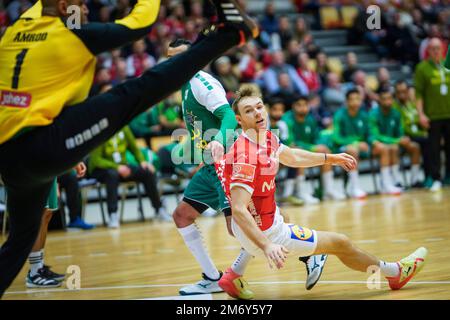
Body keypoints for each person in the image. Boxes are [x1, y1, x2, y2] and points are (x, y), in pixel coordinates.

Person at [0, 0, 260, 296]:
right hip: (43, 144)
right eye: (80, 4)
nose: (85, 9)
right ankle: (229, 34)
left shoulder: (12, 32)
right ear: (63, 7)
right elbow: (139, 22)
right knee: (133, 93)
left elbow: (224, 116)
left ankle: (280, 246)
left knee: (17, 243)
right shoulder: (73, 32)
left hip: (8, 154)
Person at [215, 86, 428, 299]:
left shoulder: (266, 137)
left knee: (285, 215)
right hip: (263, 232)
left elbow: (292, 157)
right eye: (249, 111)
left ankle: (234, 275)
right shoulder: (246, 155)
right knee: (340, 243)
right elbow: (239, 209)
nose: (258, 113)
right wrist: (266, 245)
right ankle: (395, 273)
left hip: (262, 220)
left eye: (259, 107)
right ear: (239, 120)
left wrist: (331, 158)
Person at [27, 162, 86, 288]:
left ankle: (39, 267)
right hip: (34, 163)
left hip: (49, 168)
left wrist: (72, 161)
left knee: (47, 213)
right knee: (40, 214)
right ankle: (34, 272)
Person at [283, 96, 346, 203]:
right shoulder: (287, 120)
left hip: (306, 149)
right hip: (287, 152)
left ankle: (328, 190)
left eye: (305, 105)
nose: (303, 108)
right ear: (293, 107)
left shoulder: (310, 119)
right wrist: (312, 147)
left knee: (325, 151)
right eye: (299, 105)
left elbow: (316, 138)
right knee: (299, 153)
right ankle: (301, 192)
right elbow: (290, 143)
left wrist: (319, 146)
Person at [414, 38, 450, 191]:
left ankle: (448, 176)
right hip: (432, 116)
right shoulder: (422, 68)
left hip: (448, 114)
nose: (436, 51)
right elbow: (418, 94)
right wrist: (421, 114)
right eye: (433, 48)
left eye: (438, 48)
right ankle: (435, 178)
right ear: (428, 50)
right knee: (433, 149)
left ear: (443, 49)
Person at [369, 89, 420, 193]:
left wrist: (402, 138)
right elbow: (375, 135)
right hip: (380, 145)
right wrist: (396, 140)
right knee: (392, 148)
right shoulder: (373, 114)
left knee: (415, 147)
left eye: (389, 99)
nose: (387, 101)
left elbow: (400, 132)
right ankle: (391, 182)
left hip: (395, 143)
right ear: (379, 100)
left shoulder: (396, 113)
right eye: (384, 99)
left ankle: (414, 180)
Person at [332, 90, 369, 199]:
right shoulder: (339, 115)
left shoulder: (364, 115)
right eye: (352, 99)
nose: (355, 102)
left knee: (388, 149)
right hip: (341, 147)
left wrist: (371, 142)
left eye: (357, 99)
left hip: (362, 146)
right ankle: (355, 187)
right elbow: (336, 137)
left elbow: (370, 134)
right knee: (352, 150)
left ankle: (388, 183)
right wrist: (354, 143)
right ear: (347, 102)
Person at [393, 80, 428, 188]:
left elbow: (419, 121)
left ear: (408, 91)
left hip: (416, 135)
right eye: (399, 92)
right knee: (426, 142)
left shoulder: (413, 104)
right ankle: (397, 181)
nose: (402, 94)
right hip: (403, 137)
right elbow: (402, 127)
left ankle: (417, 179)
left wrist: (423, 132)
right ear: (395, 93)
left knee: (429, 141)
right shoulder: (394, 107)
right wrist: (421, 134)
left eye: (404, 91)